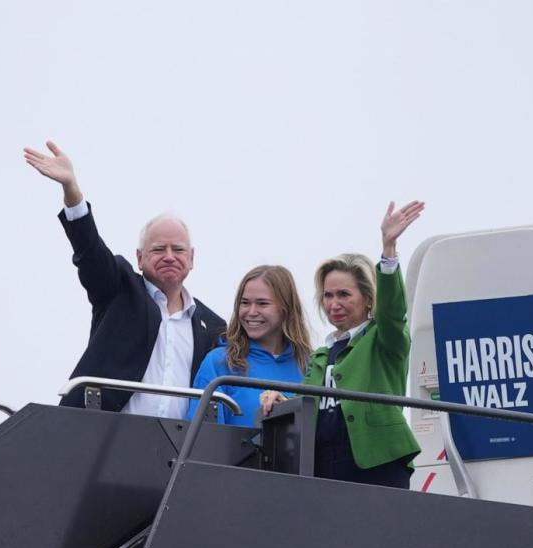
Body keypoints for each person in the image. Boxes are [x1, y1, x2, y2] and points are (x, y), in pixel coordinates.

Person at [24, 140, 224, 417]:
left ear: (191, 258)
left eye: (178, 250)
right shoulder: (119, 288)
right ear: (140, 258)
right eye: (158, 249)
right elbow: (90, 250)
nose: (169, 256)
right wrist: (72, 190)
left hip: (179, 449)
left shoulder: (213, 325)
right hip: (109, 439)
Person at [261, 201, 425, 488]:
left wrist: (388, 248)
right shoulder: (321, 354)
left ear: (368, 298)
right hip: (324, 464)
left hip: (377, 464)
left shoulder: (384, 338)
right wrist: (281, 402)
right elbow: (315, 405)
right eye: (328, 296)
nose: (334, 304)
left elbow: (392, 311)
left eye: (344, 295)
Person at [186, 265, 313, 427]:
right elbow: (205, 439)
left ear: (285, 309)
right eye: (245, 303)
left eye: (262, 303)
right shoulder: (219, 362)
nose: (252, 312)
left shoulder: (311, 367)